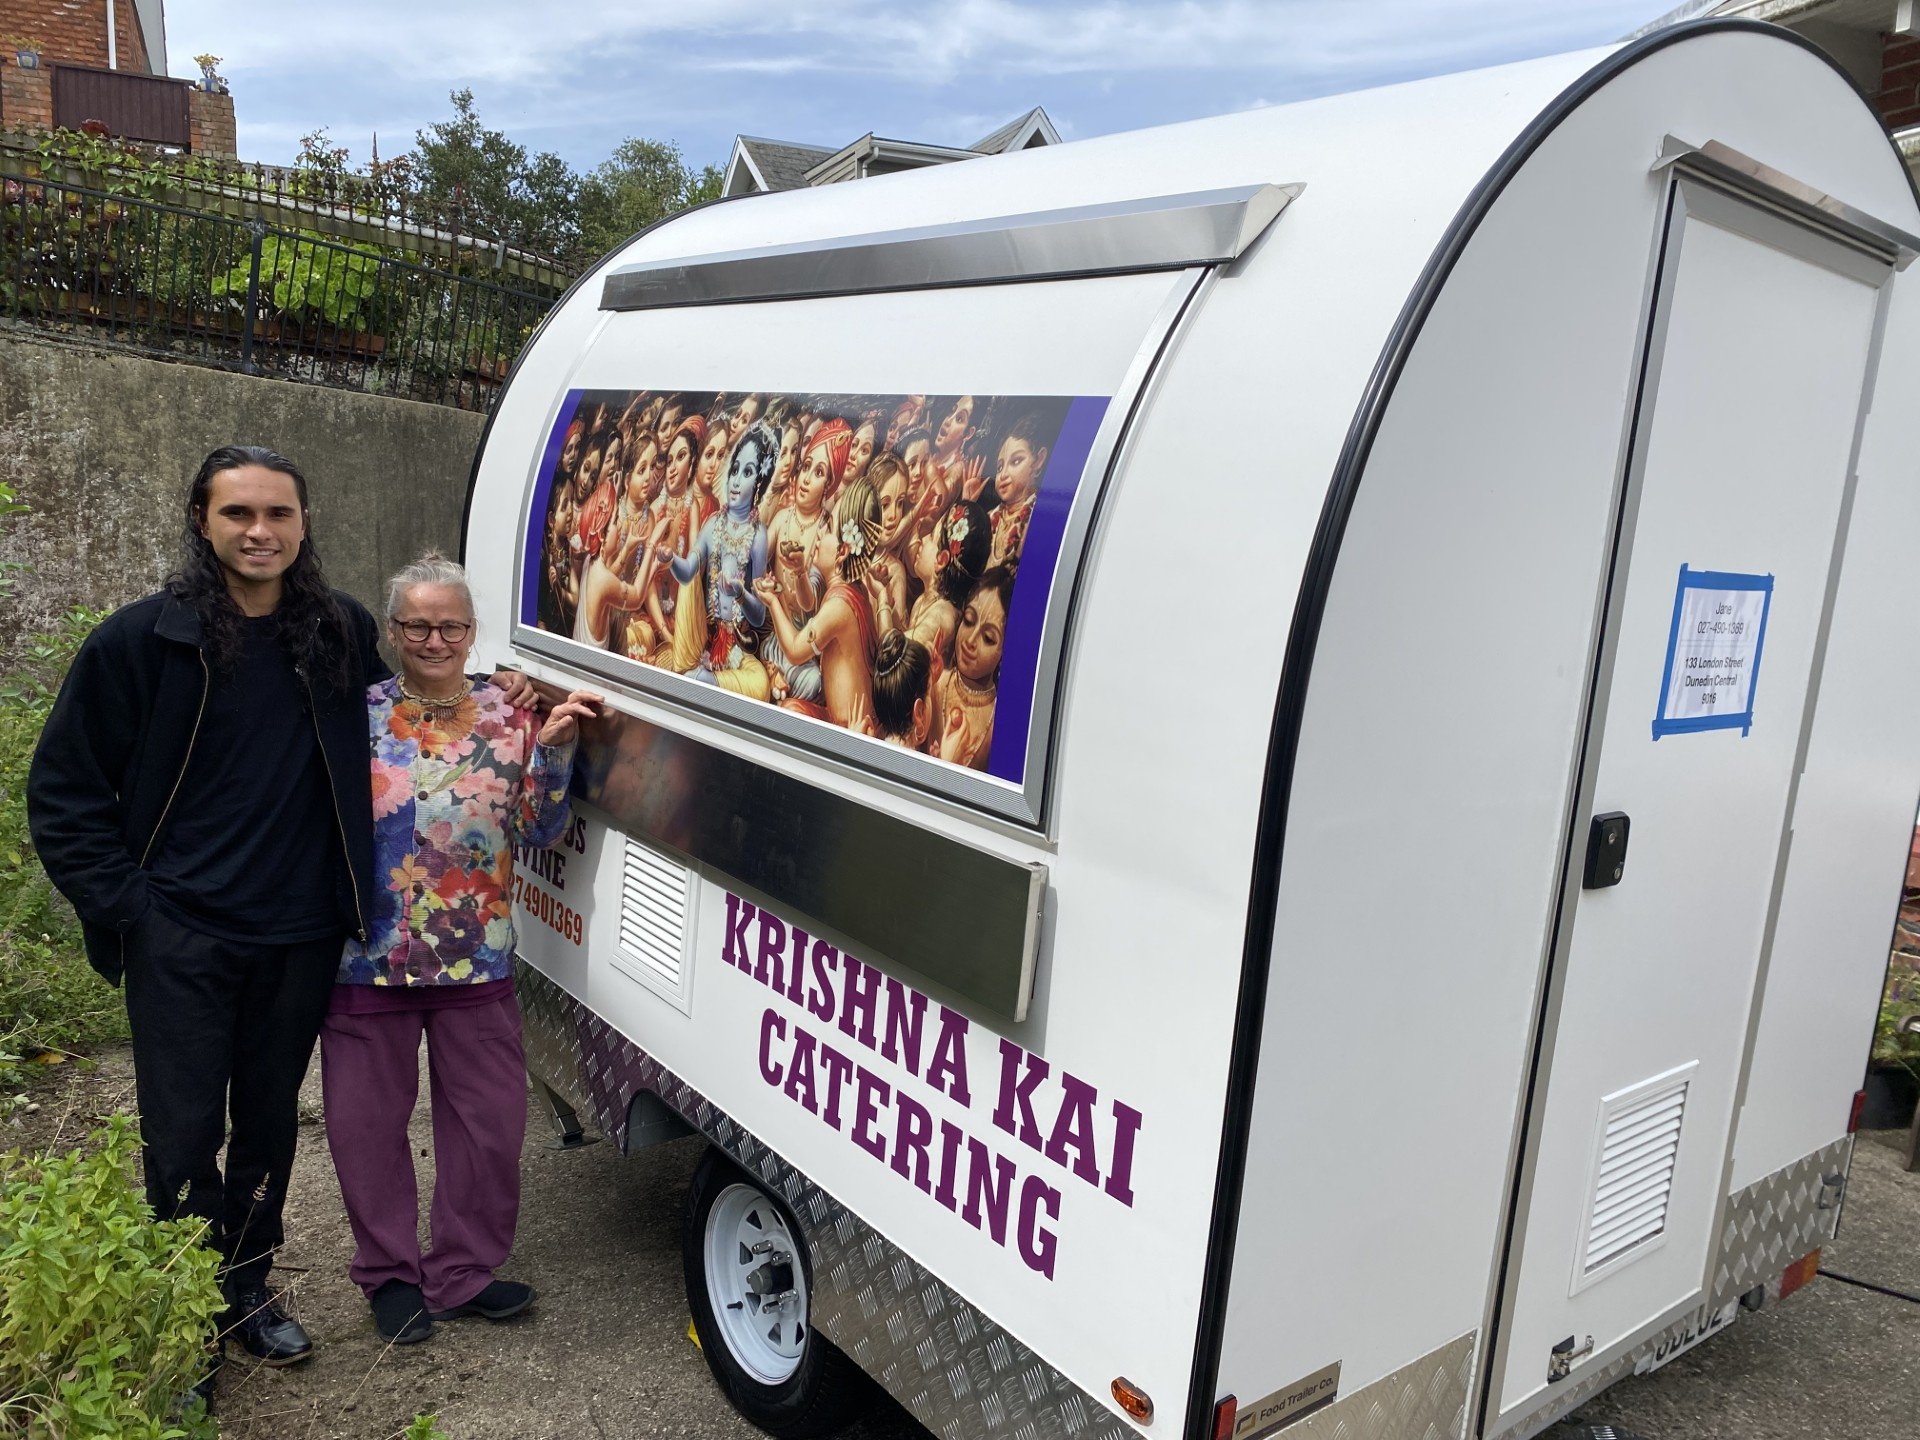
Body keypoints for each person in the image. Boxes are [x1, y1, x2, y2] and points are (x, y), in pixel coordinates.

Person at [26, 447, 393, 1388]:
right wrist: (131, 911)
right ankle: (183, 1311)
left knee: (269, 1125)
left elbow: (405, 733)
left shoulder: (339, 633)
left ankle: (248, 1289)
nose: (259, 531)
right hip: (181, 934)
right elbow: (64, 791)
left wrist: (508, 704)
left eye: (278, 513)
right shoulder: (143, 642)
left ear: (304, 523)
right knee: (183, 1134)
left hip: (300, 932)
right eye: (238, 514)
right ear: (203, 521)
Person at [322, 555, 600, 1345]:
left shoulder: (510, 716)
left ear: (472, 633)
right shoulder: (356, 714)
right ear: (392, 631)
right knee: (364, 1128)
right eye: (417, 623)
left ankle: (462, 1273)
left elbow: (542, 830)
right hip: (366, 958)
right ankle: (389, 1278)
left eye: (450, 624)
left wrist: (553, 747)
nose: (434, 637)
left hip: (475, 958)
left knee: (489, 1128)